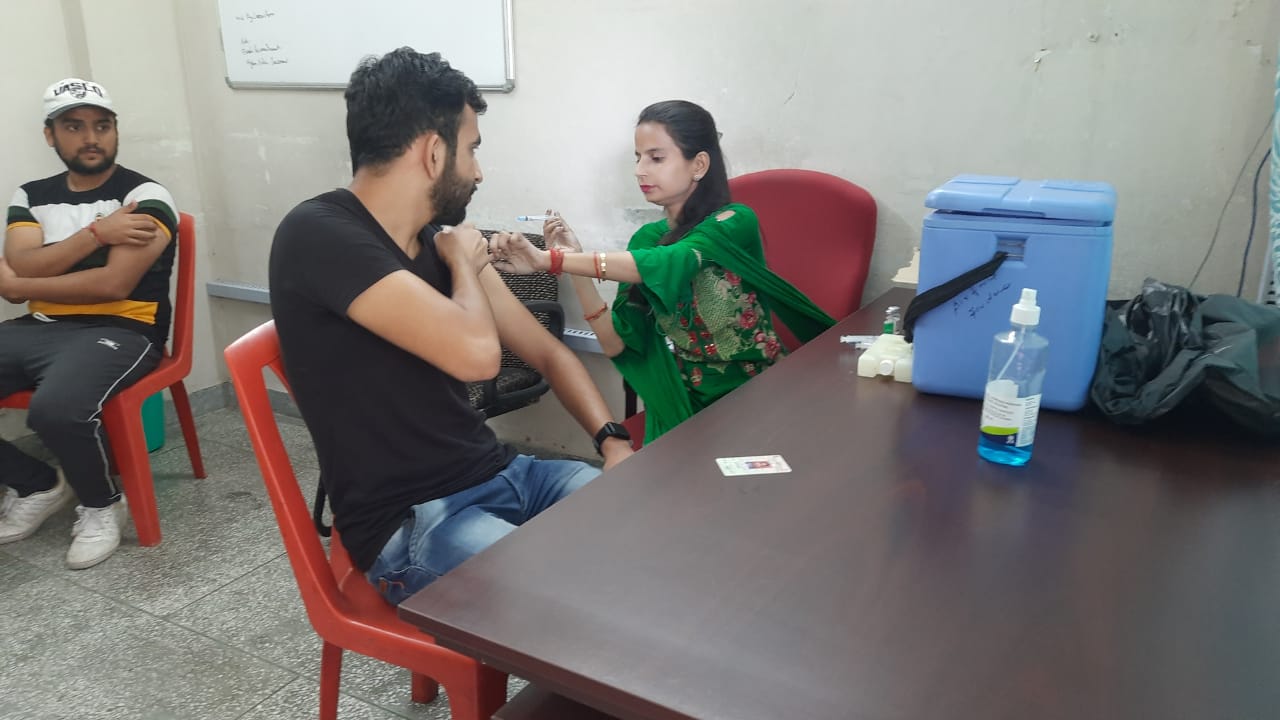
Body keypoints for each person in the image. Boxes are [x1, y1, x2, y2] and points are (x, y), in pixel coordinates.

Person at [269, 48, 634, 606]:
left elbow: (549, 354)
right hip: (413, 521)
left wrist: (612, 443)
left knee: (643, 522)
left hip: (504, 474)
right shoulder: (317, 234)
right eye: (473, 150)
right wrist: (466, 263)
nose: (479, 172)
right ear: (434, 152)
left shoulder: (435, 241)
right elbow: (478, 357)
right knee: (575, 598)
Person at [491, 100, 835, 442]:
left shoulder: (734, 222)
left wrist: (547, 261)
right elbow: (615, 344)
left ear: (698, 164)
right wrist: (572, 262)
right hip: (684, 399)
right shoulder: (647, 239)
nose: (640, 170)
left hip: (756, 390)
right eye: (638, 158)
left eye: (656, 158)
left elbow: (673, 261)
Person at [0, 78, 178, 569]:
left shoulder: (145, 194)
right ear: (50, 135)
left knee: (57, 409)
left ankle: (102, 505)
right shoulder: (31, 195)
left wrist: (25, 280)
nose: (91, 138)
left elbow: (114, 284)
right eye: (74, 127)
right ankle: (35, 484)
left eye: (102, 125)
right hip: (38, 325)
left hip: (123, 331)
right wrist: (99, 234)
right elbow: (22, 262)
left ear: (115, 130)